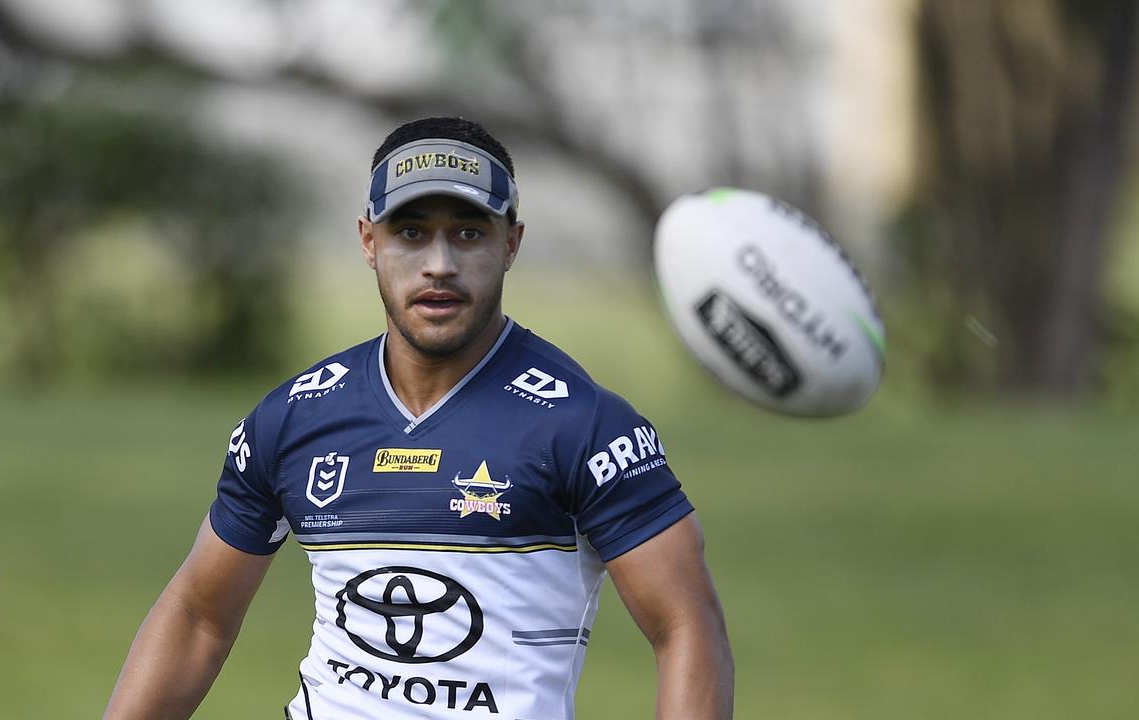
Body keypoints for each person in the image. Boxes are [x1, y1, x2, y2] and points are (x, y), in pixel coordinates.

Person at [104, 117, 734, 719]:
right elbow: (199, 616)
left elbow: (686, 626)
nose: (439, 264)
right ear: (367, 241)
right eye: (410, 233)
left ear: (511, 243)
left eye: (468, 232)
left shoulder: (584, 426)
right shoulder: (294, 418)